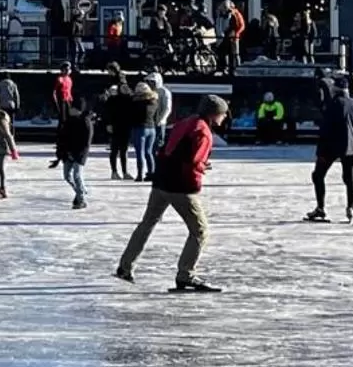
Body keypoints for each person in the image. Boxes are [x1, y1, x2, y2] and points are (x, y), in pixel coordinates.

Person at [116, 95, 231, 291]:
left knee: (148, 223)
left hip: (161, 182)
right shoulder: (203, 131)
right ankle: (186, 274)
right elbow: (194, 161)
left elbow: (171, 150)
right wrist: (202, 168)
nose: (225, 117)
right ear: (214, 114)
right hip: (181, 186)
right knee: (200, 231)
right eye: (223, 113)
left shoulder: (186, 122)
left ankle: (125, 266)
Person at [307, 75, 353, 223]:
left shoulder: (332, 104)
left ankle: (321, 208)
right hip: (350, 146)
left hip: (330, 146)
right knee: (349, 177)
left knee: (318, 175)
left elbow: (326, 129)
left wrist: (320, 151)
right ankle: (350, 208)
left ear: (336, 89)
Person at [56, 95, 93, 210]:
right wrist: (61, 151)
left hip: (80, 153)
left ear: (79, 110)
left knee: (77, 175)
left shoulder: (85, 122)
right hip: (68, 153)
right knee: (67, 176)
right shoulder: (68, 121)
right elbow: (63, 137)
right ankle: (80, 190)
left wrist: (79, 155)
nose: (70, 110)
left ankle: (81, 198)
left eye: (73, 109)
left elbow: (86, 143)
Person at [100, 74, 135, 180]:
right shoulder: (113, 99)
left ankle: (125, 172)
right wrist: (108, 124)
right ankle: (114, 172)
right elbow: (106, 113)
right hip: (115, 126)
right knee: (114, 150)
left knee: (124, 150)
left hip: (126, 127)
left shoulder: (130, 98)